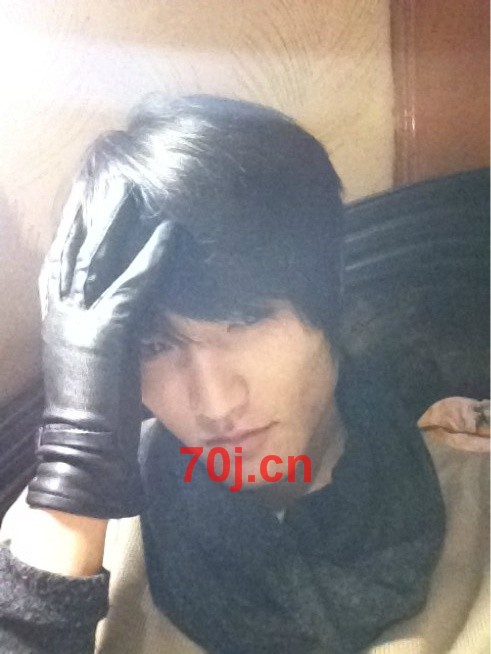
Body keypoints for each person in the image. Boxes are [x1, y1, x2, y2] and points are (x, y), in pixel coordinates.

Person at [0, 95, 445, 654]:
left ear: (329, 298)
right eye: (155, 344)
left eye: (247, 318)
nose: (215, 403)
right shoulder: (62, 528)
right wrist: (78, 483)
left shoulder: (470, 488)